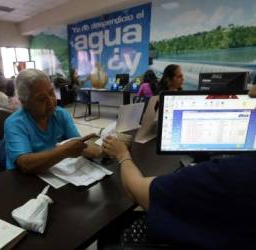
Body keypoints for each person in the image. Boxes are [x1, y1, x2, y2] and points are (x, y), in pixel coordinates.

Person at [101, 85, 256, 249]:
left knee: (109, 234)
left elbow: (137, 190)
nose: (251, 91)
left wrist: (122, 155)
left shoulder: (235, 175)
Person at [4, 69, 102, 173]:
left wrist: (99, 149)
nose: (51, 101)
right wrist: (64, 151)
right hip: (24, 182)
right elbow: (25, 164)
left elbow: (77, 144)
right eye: (41, 98)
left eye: (51, 93)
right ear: (25, 102)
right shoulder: (15, 123)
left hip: (54, 175)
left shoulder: (60, 114)